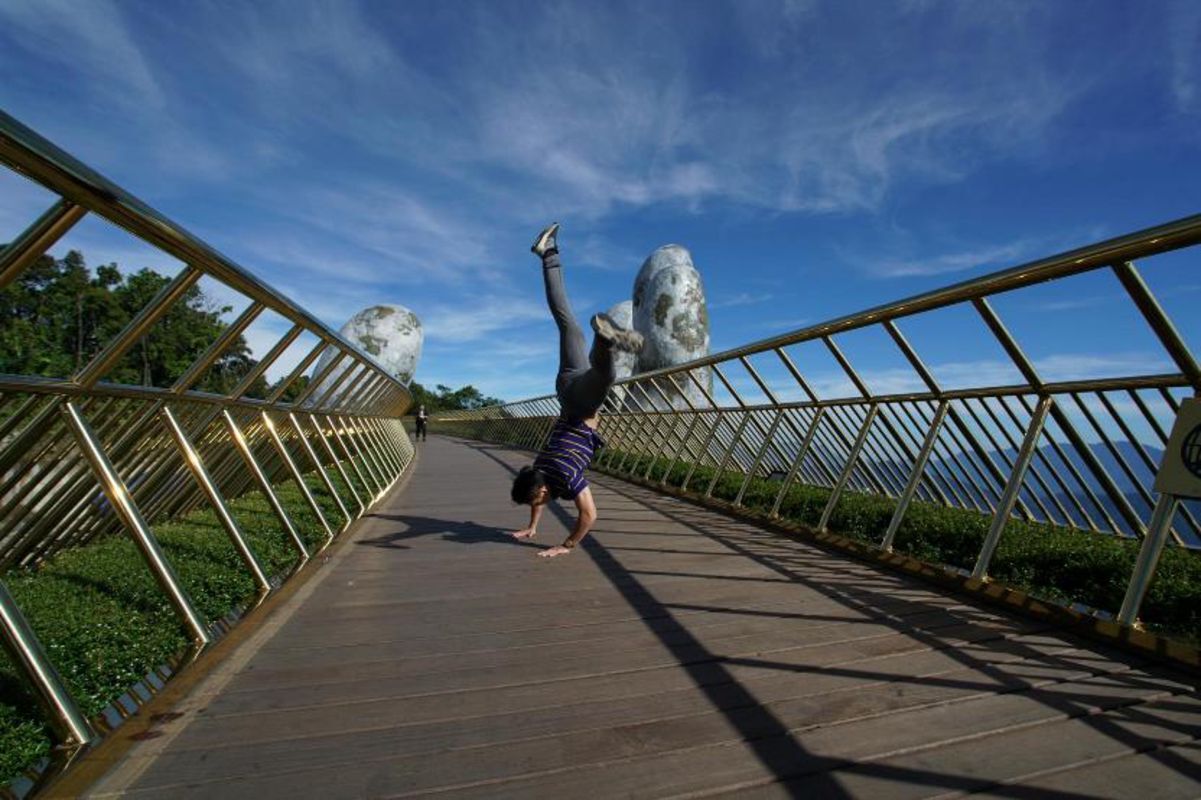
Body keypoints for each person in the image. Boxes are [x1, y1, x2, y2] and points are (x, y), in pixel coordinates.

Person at [510, 222, 644, 558]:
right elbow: (537, 491)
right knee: (566, 321)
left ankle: (605, 340)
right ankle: (548, 253)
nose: (535, 504)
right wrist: (533, 527)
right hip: (566, 384)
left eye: (533, 500)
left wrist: (565, 545)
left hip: (581, 405)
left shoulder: (567, 478)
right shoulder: (539, 465)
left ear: (541, 489)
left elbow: (589, 516)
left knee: (605, 376)